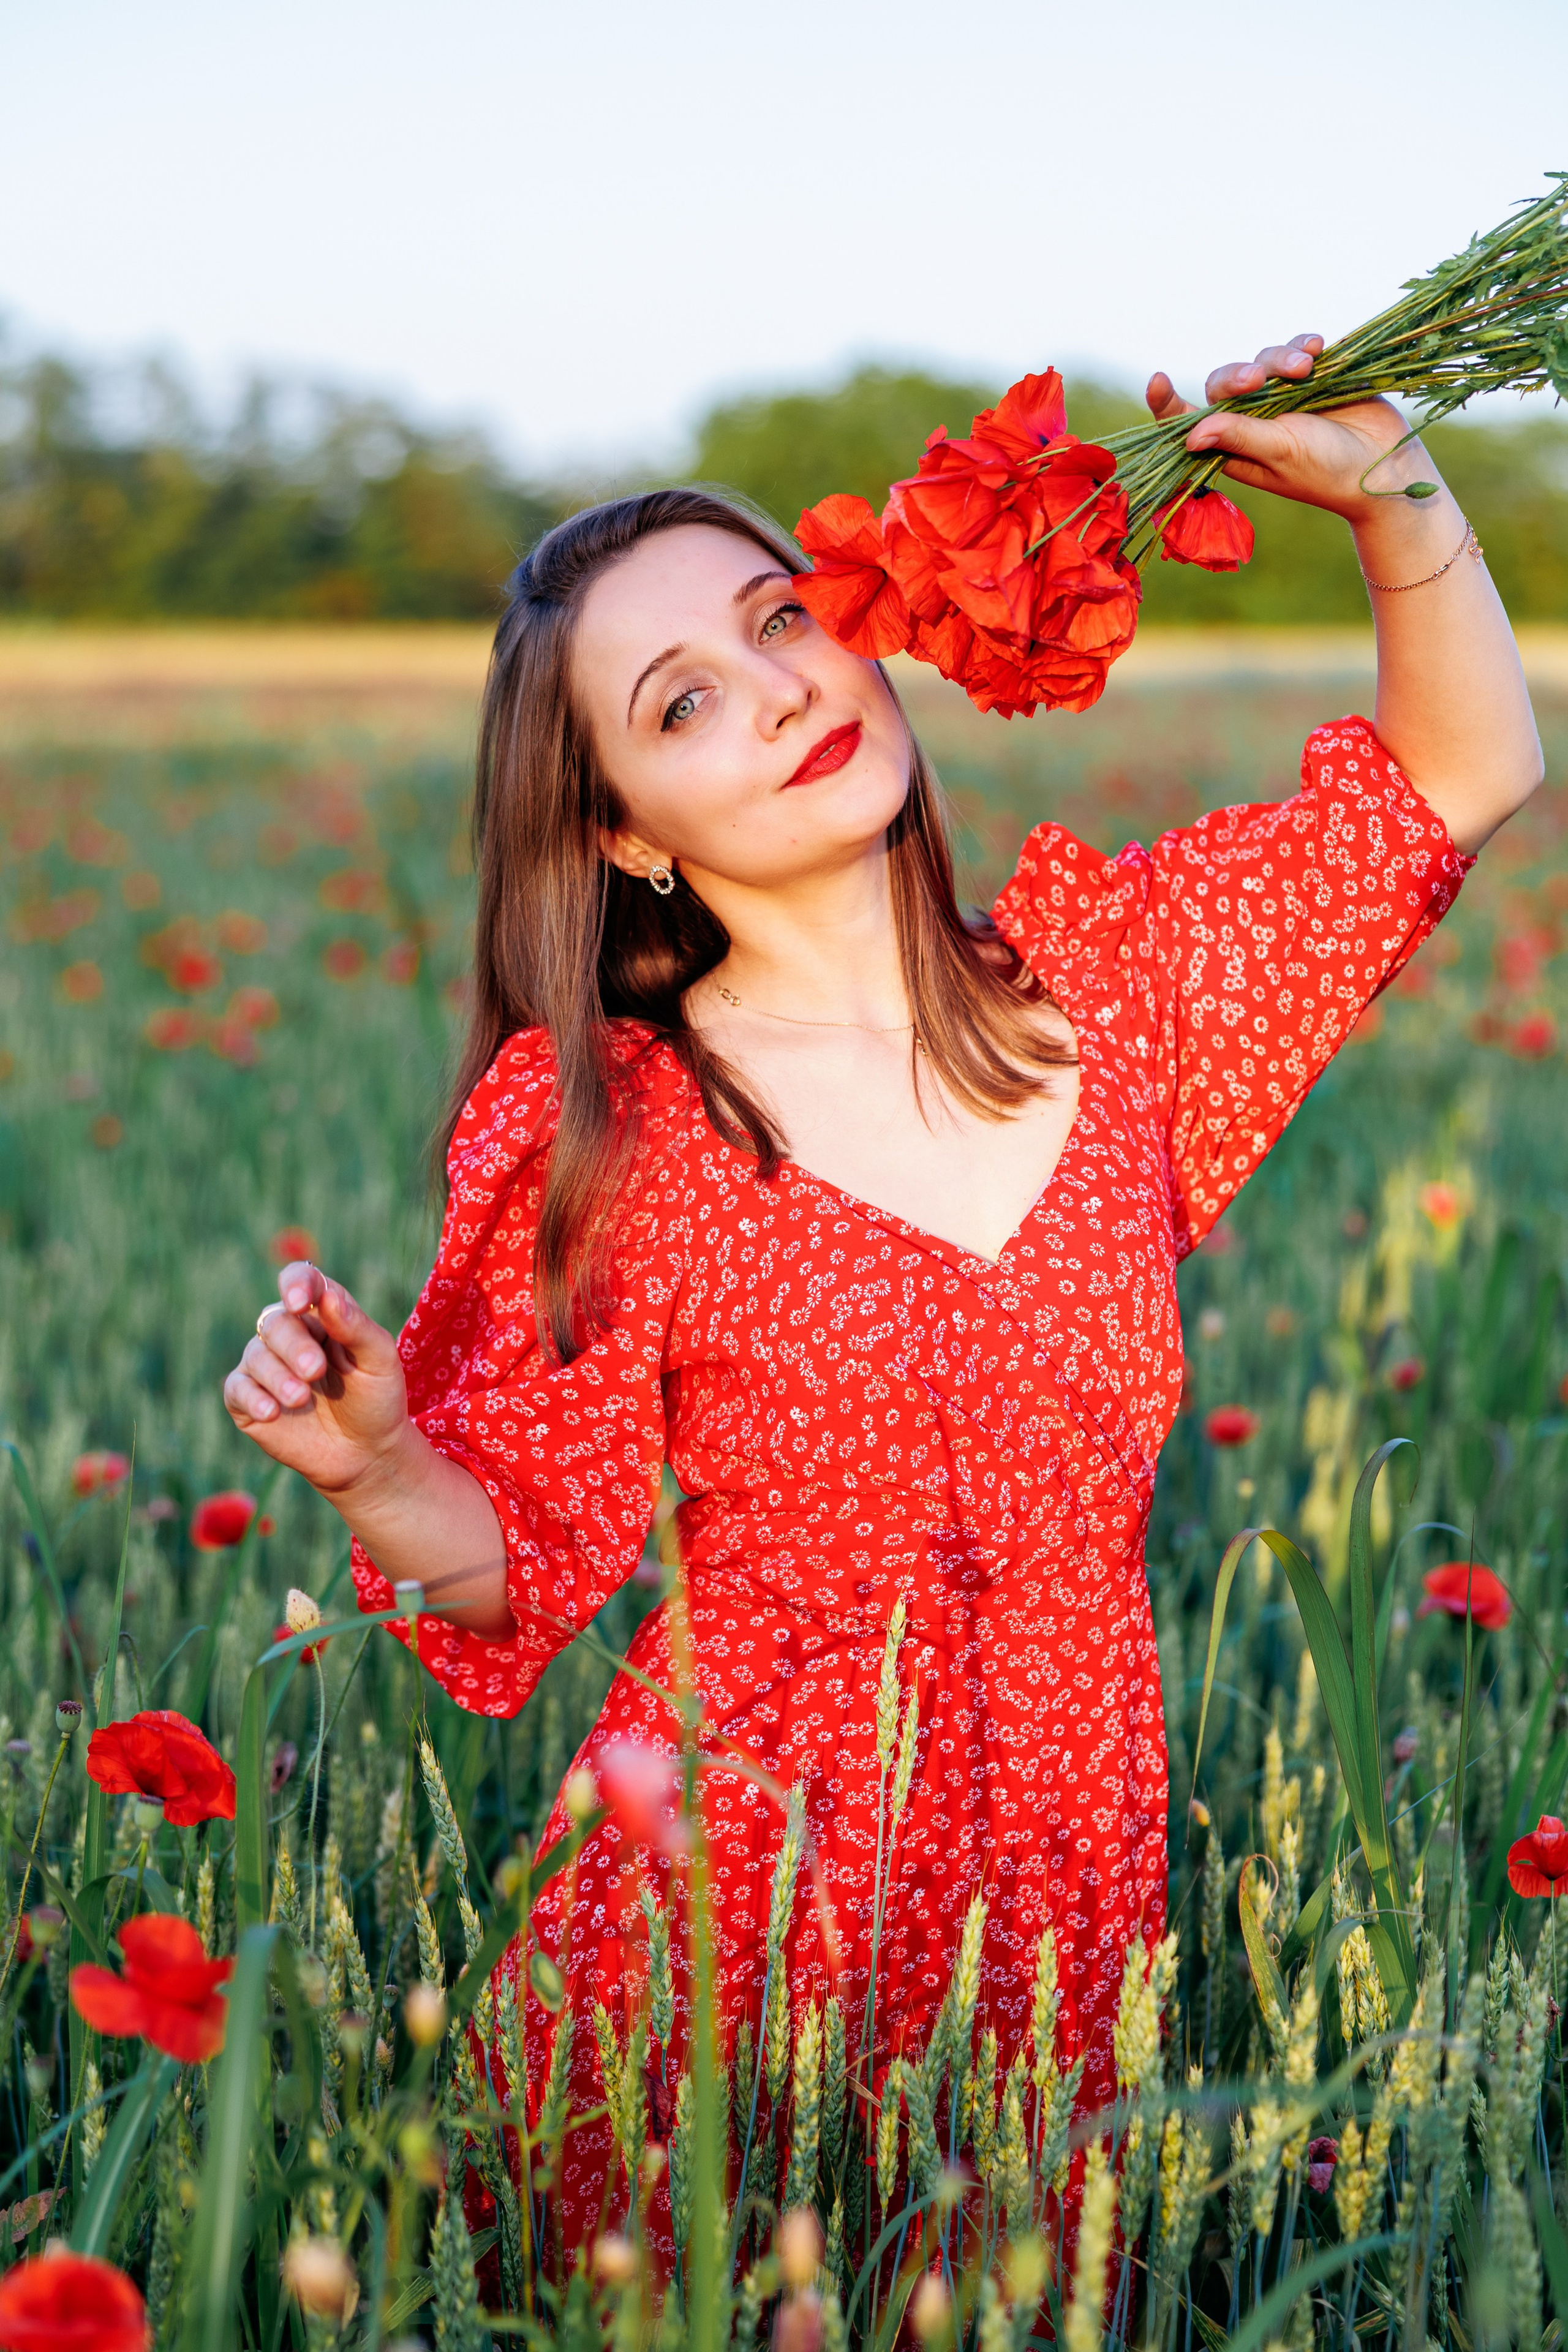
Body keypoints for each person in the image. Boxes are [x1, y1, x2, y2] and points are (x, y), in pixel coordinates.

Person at [223, 336, 1541, 2255]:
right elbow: (513, 1564)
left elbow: (1461, 776)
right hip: (721, 1945)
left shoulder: (1126, 995)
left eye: (786, 618)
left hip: (1070, 1926)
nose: (776, 692)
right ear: (623, 833)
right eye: (684, 702)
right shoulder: (625, 1134)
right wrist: (371, 1459)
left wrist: (1390, 483)